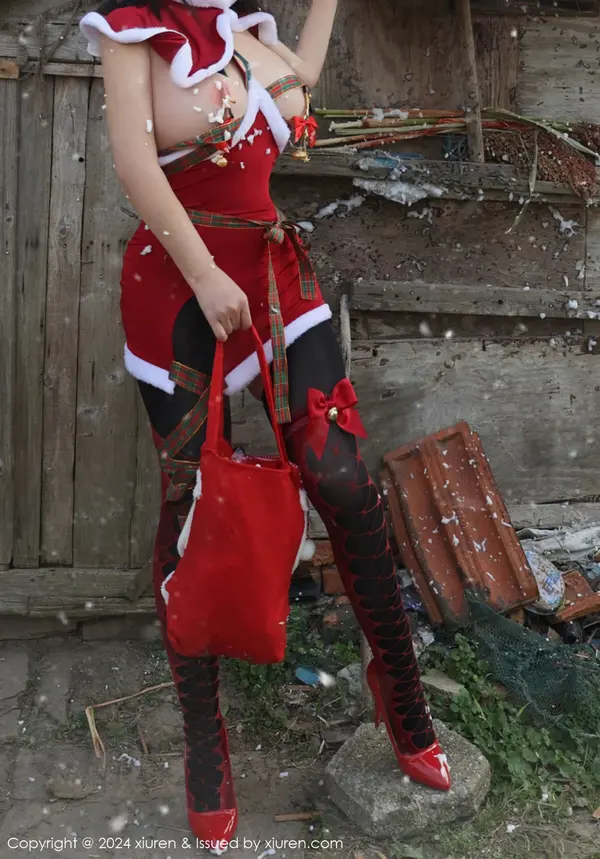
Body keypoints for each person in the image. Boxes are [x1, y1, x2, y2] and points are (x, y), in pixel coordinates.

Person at [79, 0, 451, 848]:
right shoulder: (132, 33)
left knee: (341, 477)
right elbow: (135, 165)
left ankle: (400, 688)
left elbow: (304, 75)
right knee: (191, 505)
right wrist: (206, 276)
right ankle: (206, 744)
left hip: (273, 271)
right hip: (179, 286)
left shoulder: (244, 30)